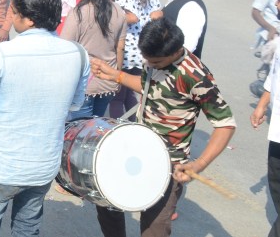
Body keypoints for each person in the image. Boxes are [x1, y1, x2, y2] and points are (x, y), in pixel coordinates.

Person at [0, 0, 89, 237]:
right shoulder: (78, 54)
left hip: (2, 165)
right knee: (27, 228)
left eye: (15, 12)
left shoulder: (2, 54)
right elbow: (75, 104)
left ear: (29, 19)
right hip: (43, 165)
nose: (12, 16)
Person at [92, 19, 236, 237]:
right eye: (146, 59)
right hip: (137, 150)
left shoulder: (195, 76)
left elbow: (225, 124)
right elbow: (151, 88)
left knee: (154, 229)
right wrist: (116, 75)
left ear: (176, 51)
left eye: (156, 62)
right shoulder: (154, 58)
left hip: (166, 165)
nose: (150, 64)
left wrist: (199, 164)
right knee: (106, 200)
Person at [61, 0, 127, 119]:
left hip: (84, 85)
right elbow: (120, 48)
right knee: (94, 131)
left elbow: (65, 48)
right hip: (108, 83)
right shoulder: (118, 11)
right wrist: (117, 76)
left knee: (78, 133)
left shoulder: (79, 12)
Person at [109, 0, 163, 120]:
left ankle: (118, 128)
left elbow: (132, 17)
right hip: (143, 52)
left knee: (117, 97)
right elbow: (159, 13)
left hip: (126, 53)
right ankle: (133, 125)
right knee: (131, 96)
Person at [251, 3, 280, 237]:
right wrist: (262, 104)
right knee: (275, 181)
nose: (277, 4)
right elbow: (273, 75)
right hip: (277, 131)